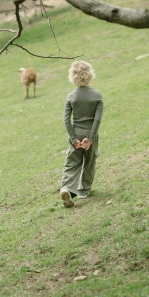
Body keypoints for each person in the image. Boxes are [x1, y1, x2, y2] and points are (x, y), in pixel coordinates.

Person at [60, 60, 104, 208]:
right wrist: (90, 138)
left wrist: (73, 138)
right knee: (89, 162)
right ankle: (84, 191)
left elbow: (66, 120)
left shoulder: (71, 96)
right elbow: (97, 120)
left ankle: (66, 188)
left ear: (73, 76)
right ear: (90, 74)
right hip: (90, 133)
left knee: (72, 162)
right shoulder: (97, 96)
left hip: (76, 132)